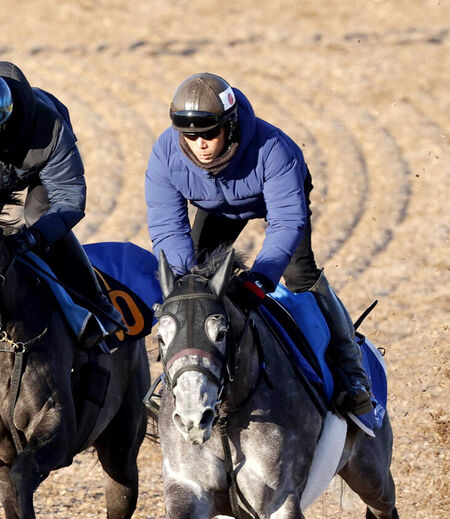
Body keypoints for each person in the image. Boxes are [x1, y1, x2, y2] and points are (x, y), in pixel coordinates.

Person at [145, 72, 372, 416]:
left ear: (231, 125)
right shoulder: (164, 152)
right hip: (216, 207)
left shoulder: (274, 149)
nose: (199, 144)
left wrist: (262, 279)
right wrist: (180, 280)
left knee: (300, 275)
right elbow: (166, 225)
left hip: (275, 201)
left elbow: (286, 222)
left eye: (209, 133)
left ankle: (350, 370)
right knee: (192, 285)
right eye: (190, 136)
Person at [0, 60, 123, 346]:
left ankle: (99, 308)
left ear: (8, 118)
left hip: (34, 173)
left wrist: (33, 238)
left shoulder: (49, 128)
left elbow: (69, 196)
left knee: (36, 214)